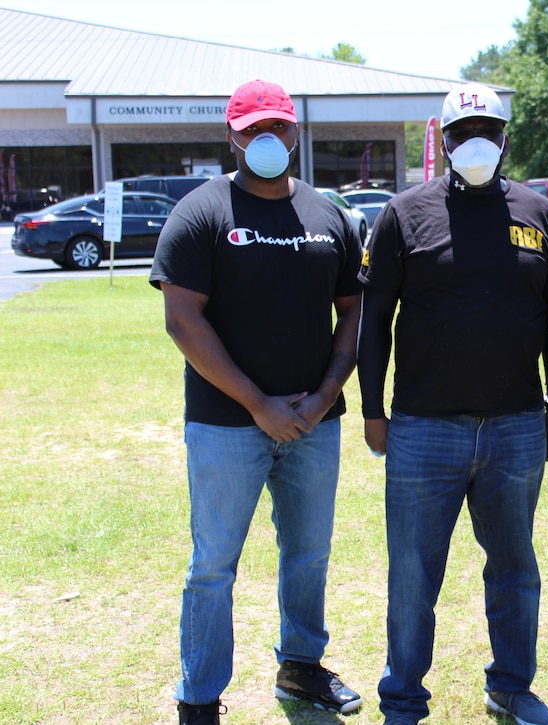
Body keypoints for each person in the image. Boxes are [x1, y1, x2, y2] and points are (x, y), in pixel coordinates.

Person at [150, 79, 365, 725]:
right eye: (253, 129)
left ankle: (301, 667)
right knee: (213, 564)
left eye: (278, 126)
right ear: (232, 136)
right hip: (226, 424)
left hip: (314, 424)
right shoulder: (201, 212)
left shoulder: (329, 215)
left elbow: (354, 314)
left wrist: (325, 396)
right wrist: (257, 403)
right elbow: (183, 321)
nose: (267, 138)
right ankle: (199, 696)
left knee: (309, 553)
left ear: (295, 132)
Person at [356, 82, 548, 725]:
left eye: (488, 130)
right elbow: (374, 320)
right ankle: (402, 697)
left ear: (506, 139)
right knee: (413, 576)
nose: (476, 141)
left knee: (514, 569)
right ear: (444, 139)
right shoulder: (404, 213)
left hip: (517, 425)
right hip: (424, 428)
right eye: (462, 132)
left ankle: (511, 686)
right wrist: (373, 410)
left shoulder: (541, 214)